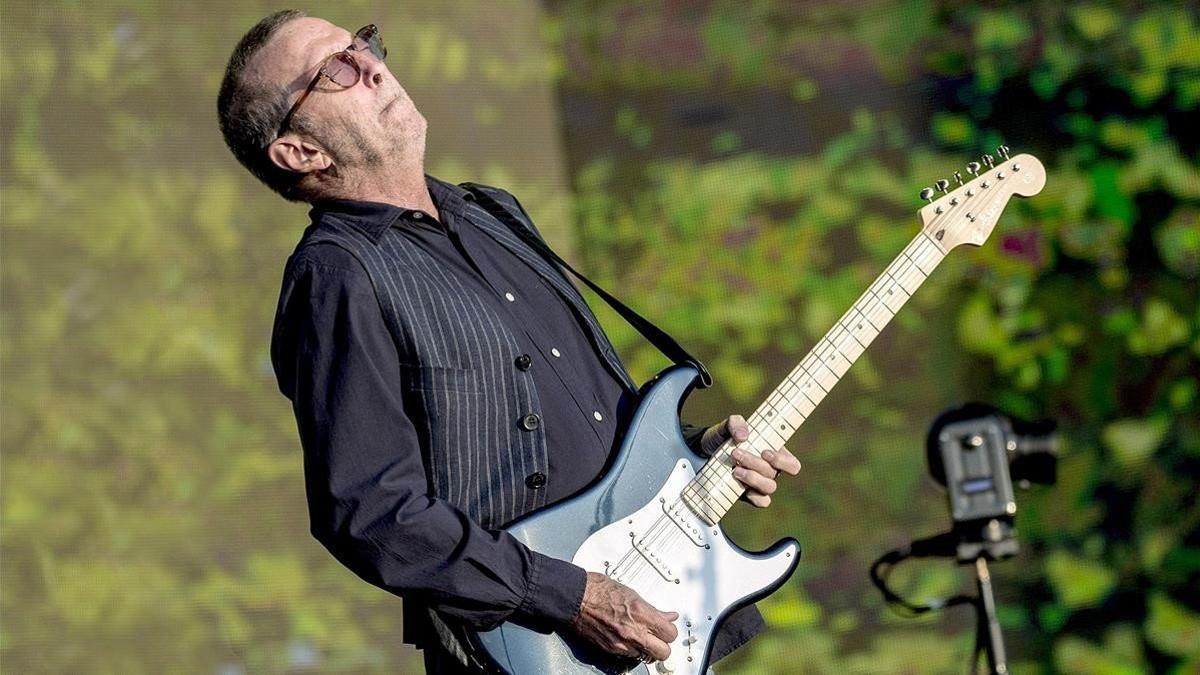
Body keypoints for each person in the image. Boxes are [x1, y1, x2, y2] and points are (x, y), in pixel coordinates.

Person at [217, 10, 802, 674]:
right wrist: (570, 596)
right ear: (301, 152)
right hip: (534, 650)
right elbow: (372, 510)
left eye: (363, 45)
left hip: (654, 626)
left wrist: (698, 452)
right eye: (335, 70)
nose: (374, 65)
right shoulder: (337, 274)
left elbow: (593, 414)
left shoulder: (494, 212)